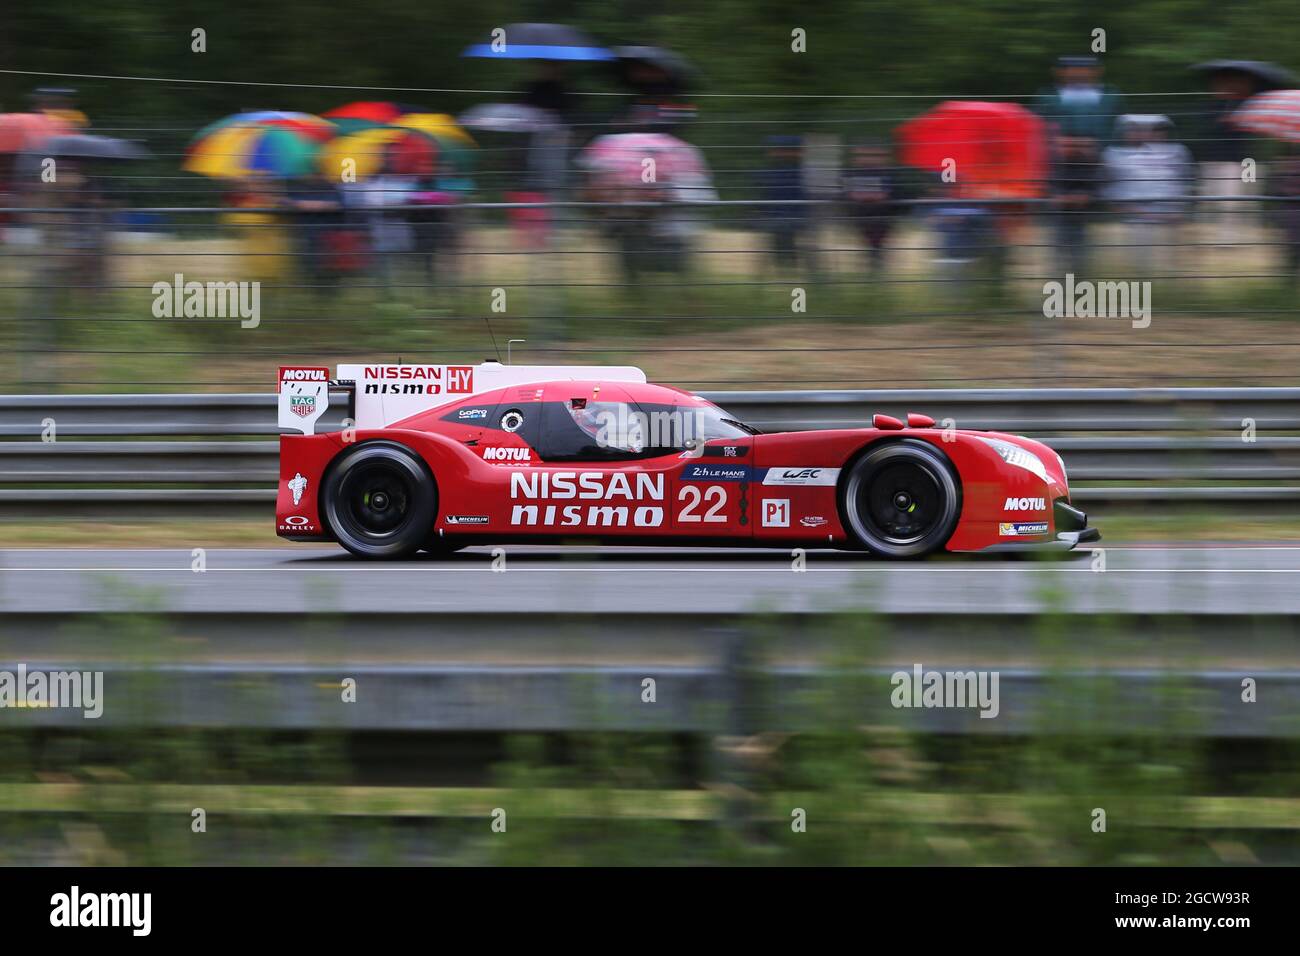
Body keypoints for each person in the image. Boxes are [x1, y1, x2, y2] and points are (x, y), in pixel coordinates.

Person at [1103, 115, 1195, 280]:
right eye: (1134, 130)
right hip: (1137, 219)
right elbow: (1111, 190)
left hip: (1169, 218)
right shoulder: (1114, 155)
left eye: (1156, 131)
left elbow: (1183, 182)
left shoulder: (1177, 153)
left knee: (1169, 268)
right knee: (1140, 267)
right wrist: (1135, 211)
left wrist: (1179, 210)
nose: (1142, 135)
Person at [1033, 56, 1124, 143]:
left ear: (1097, 71)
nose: (1077, 71)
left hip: (1106, 151)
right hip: (1057, 151)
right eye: (1071, 67)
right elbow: (1037, 124)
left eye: (1083, 67)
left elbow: (1121, 123)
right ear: (1060, 71)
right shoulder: (1046, 94)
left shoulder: (1111, 94)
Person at [841, 143, 901, 272]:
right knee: (871, 245)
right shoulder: (852, 174)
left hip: (881, 216)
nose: (869, 159)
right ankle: (873, 268)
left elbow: (885, 195)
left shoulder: (886, 174)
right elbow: (850, 194)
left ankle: (876, 269)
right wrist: (871, 196)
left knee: (876, 246)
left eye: (874, 155)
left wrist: (865, 196)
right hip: (863, 216)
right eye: (864, 155)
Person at [1049, 135, 1103, 277]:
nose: (1066, 149)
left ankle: (1078, 289)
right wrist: (1073, 198)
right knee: (1059, 260)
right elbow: (1054, 196)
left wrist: (1070, 198)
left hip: (1080, 220)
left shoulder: (1084, 165)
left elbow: (1090, 193)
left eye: (1070, 146)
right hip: (1061, 219)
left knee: (1078, 260)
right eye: (1063, 146)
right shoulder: (1055, 165)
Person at [757, 135, 807, 273]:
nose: (773, 153)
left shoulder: (799, 172)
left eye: (778, 150)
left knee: (784, 237)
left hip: (791, 216)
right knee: (781, 239)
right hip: (779, 216)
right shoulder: (772, 171)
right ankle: (785, 267)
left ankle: (787, 267)